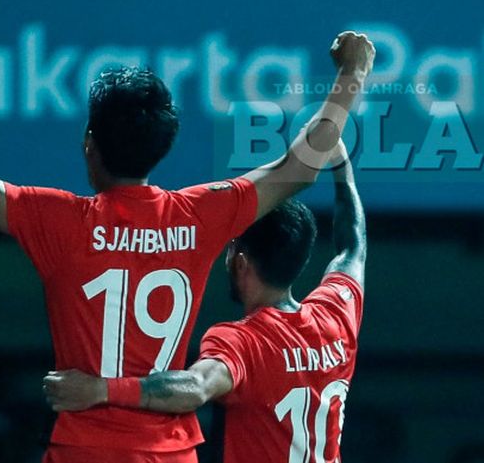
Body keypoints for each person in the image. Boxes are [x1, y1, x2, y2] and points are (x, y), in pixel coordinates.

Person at [0, 32, 374, 463]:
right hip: (170, 453)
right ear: (162, 147)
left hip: (86, 448)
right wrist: (352, 74)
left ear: (89, 144)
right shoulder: (201, 216)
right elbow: (301, 166)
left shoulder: (60, 222)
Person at [43, 141, 366, 463]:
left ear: (240, 261)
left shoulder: (242, 341)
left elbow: (196, 387)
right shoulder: (337, 313)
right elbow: (352, 245)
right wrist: (343, 171)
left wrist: (100, 389)